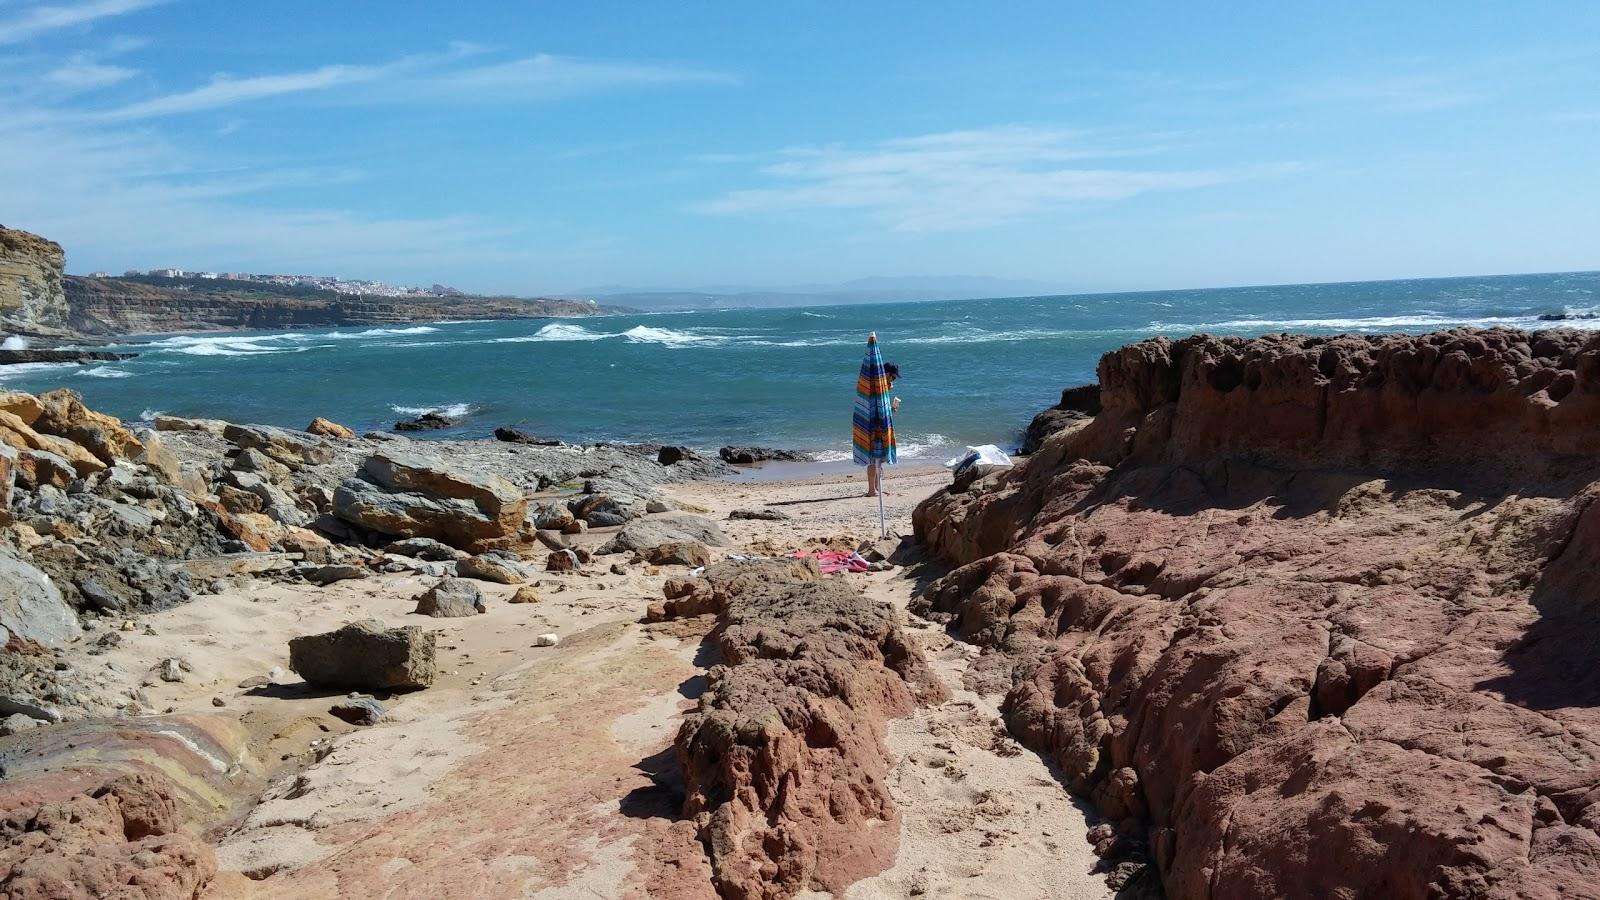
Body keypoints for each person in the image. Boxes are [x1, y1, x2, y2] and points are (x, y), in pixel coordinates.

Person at [866, 363, 900, 497]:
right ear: (886, 374)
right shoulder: (878, 387)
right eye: (892, 377)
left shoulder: (881, 388)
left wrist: (891, 409)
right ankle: (871, 490)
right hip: (875, 428)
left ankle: (876, 488)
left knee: (878, 459)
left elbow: (882, 409)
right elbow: (878, 410)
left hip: (879, 426)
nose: (892, 380)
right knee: (874, 459)